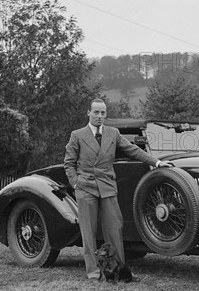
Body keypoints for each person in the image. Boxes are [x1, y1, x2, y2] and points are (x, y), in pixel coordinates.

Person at [64, 98, 173, 280]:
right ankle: (93, 271)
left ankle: (119, 269)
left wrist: (157, 162)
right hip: (86, 187)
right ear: (88, 113)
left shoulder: (113, 133)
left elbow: (133, 150)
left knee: (114, 227)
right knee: (88, 231)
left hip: (107, 186)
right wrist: (76, 182)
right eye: (96, 112)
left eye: (103, 113)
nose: (99, 116)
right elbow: (69, 163)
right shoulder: (77, 135)